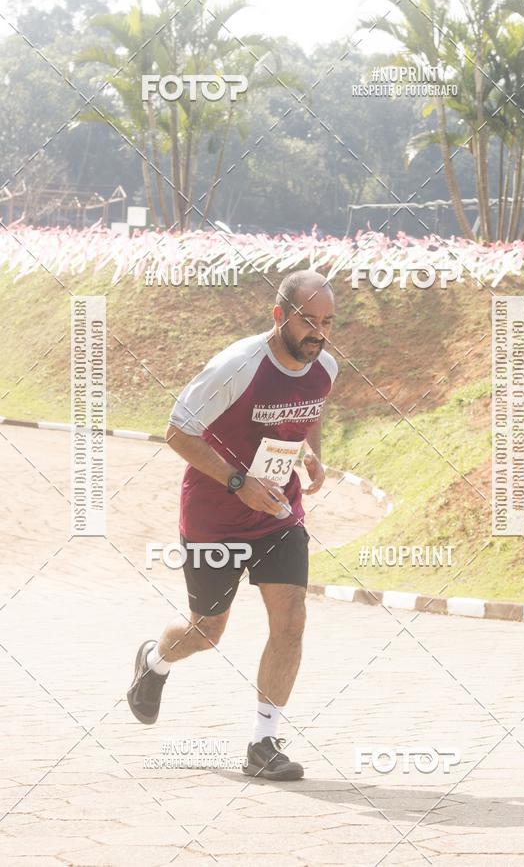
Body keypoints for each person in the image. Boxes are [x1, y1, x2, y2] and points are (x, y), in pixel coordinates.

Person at [127, 270, 337, 781]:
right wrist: (238, 481)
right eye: (309, 320)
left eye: (328, 322)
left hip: (278, 516)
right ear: (279, 315)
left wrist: (308, 454)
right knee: (206, 631)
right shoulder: (237, 366)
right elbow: (177, 431)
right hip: (214, 518)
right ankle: (154, 661)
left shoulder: (325, 366)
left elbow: (292, 420)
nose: (318, 333)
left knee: (291, 619)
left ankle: (264, 743)